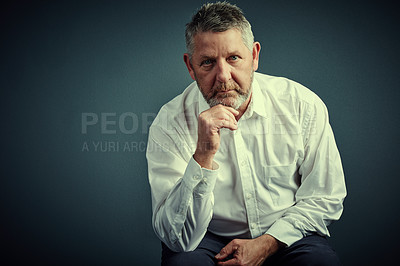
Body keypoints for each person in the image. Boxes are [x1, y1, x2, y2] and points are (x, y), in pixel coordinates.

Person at [146, 2, 346, 265]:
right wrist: (203, 156)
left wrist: (267, 243)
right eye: (207, 62)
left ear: (254, 56)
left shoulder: (302, 105)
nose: (223, 76)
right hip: (206, 239)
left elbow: (325, 196)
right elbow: (177, 237)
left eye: (233, 58)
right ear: (190, 66)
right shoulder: (169, 122)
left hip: (287, 235)